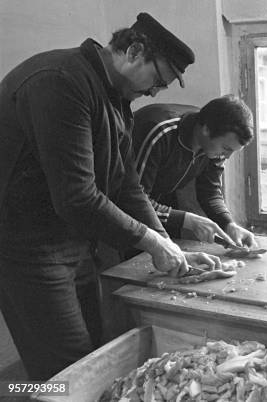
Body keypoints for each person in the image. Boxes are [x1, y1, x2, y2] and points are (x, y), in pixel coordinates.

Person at [0, 13, 222, 380]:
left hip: (73, 237)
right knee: (67, 368)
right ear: (134, 51)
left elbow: (125, 185)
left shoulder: (115, 98)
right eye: (158, 81)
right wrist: (151, 241)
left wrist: (167, 244)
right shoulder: (61, 82)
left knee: (97, 351)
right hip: (26, 246)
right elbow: (78, 197)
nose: (154, 93)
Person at [131, 95, 259, 248]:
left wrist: (229, 224)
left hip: (156, 200)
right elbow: (134, 200)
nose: (227, 156)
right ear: (206, 129)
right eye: (226, 148)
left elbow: (209, 191)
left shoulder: (213, 144)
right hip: (113, 206)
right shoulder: (160, 133)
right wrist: (188, 220)